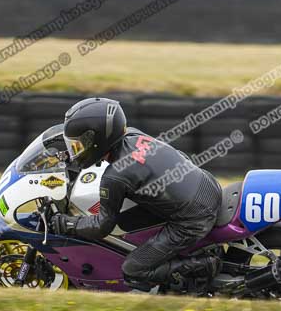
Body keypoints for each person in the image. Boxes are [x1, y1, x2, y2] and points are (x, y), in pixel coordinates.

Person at [50, 97, 222, 291]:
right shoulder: (133, 136)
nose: (76, 151)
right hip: (207, 184)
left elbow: (102, 226)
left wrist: (67, 223)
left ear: (97, 140)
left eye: (80, 145)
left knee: (133, 270)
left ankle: (204, 266)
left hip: (193, 218)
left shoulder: (114, 177)